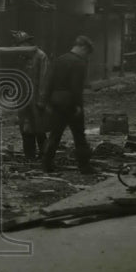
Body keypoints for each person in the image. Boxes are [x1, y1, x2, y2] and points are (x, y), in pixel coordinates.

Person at [41, 35, 94, 173]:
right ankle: (84, 166)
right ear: (83, 47)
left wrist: (46, 102)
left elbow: (48, 82)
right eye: (87, 52)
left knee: (55, 134)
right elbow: (76, 86)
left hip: (55, 101)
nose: (87, 55)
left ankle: (46, 164)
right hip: (70, 102)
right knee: (79, 135)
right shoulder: (79, 63)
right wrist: (78, 105)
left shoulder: (59, 60)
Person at [10, 30, 51, 162]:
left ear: (27, 43)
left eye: (20, 46)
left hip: (36, 99)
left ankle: (46, 155)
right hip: (23, 99)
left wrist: (41, 100)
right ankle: (30, 157)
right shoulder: (21, 58)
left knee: (39, 128)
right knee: (25, 128)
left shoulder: (40, 56)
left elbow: (44, 79)